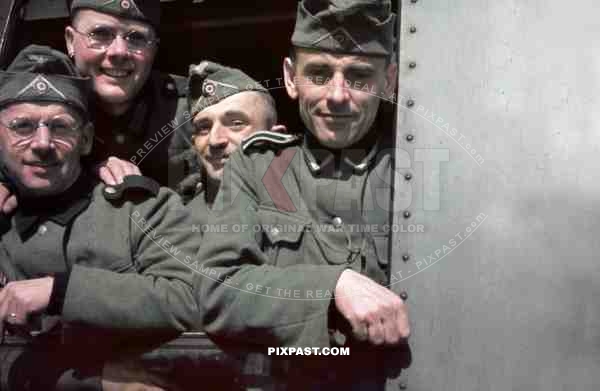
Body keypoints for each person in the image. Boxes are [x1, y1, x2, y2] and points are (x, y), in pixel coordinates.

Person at [193, 0, 409, 389]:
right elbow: (217, 289)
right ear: (291, 79)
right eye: (320, 74)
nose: (338, 95)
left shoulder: (410, 171)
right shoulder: (257, 167)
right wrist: (332, 286)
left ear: (389, 81)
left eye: (359, 77)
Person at [0, 44, 199, 390]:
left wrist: (60, 292)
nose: (43, 143)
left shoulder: (140, 208)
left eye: (60, 128)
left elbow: (192, 296)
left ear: (87, 139)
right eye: (23, 127)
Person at [0, 0, 192, 214]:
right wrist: (10, 178)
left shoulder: (191, 112)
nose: (119, 52)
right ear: (70, 41)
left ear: (155, 48)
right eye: (100, 34)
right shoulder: (32, 104)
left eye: (137, 38)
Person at [177, 60, 284, 206]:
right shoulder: (174, 222)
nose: (215, 140)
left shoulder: (314, 209)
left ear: (275, 139)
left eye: (236, 124)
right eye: (204, 128)